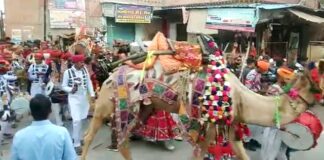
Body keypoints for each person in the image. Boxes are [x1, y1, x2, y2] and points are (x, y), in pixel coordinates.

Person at [10, 94, 77, 160]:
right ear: (50, 111)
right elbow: (71, 157)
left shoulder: (19, 136)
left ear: (30, 112)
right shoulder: (62, 133)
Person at [62, 54, 95, 155]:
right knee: (76, 120)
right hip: (74, 99)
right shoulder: (68, 72)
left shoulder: (84, 70)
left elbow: (89, 82)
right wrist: (71, 89)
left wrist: (92, 94)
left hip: (83, 99)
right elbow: (63, 86)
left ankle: (77, 138)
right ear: (75, 63)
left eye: (83, 62)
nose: (83, 63)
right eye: (81, 62)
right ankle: (76, 144)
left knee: (81, 119)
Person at [260, 67, 295, 160]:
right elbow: (272, 108)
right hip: (275, 124)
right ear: (280, 77)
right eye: (287, 78)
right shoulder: (274, 89)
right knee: (271, 148)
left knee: (281, 149)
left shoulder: (285, 89)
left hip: (283, 123)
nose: (289, 81)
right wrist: (280, 123)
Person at [244, 60, 270, 151]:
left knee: (258, 124)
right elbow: (247, 90)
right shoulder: (252, 75)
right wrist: (259, 92)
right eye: (263, 70)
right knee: (251, 124)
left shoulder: (258, 74)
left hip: (257, 99)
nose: (264, 72)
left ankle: (253, 139)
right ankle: (246, 141)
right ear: (259, 68)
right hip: (251, 101)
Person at [47, 50, 67, 126]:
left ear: (58, 57)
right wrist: (47, 82)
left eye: (53, 57)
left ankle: (63, 114)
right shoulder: (50, 64)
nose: (52, 58)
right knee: (55, 104)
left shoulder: (65, 63)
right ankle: (59, 122)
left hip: (64, 86)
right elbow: (46, 74)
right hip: (54, 86)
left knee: (64, 104)